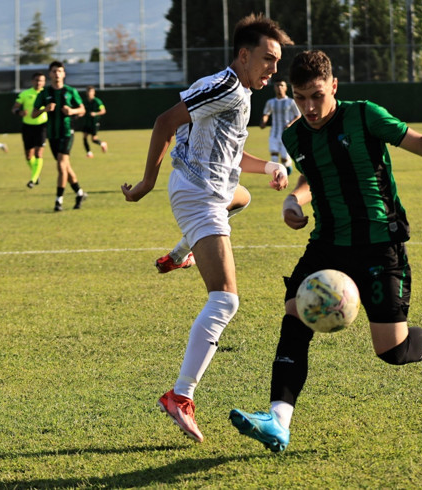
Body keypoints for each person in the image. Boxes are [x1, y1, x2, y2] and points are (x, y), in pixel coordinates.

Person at [229, 49, 422, 453]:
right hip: (327, 243)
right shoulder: (295, 135)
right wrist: (294, 202)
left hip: (380, 243)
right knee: (294, 314)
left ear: (334, 87)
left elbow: (415, 141)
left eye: (316, 95)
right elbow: (315, 179)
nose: (309, 106)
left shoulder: (364, 115)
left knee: (392, 350)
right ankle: (278, 420)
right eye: (300, 97)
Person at [120, 13, 293, 443]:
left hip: (211, 189)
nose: (273, 69)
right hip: (199, 195)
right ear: (243, 54)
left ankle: (181, 253)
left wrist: (269, 164)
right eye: (268, 59)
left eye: (277, 62)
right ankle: (181, 395)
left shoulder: (233, 89)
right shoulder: (228, 87)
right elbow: (165, 122)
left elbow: (232, 157)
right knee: (225, 302)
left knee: (245, 197)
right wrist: (145, 184)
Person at [32, 61, 88, 212]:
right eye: (54, 71)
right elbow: (33, 113)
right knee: (66, 167)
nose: (57, 74)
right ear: (50, 74)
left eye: (60, 71)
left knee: (61, 166)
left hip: (67, 133)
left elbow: (82, 110)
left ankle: (58, 201)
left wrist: (72, 111)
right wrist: (45, 109)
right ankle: (79, 193)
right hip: (52, 134)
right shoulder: (44, 93)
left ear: (64, 74)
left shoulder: (70, 91)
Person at [12, 72, 48, 188]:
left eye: (41, 80)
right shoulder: (25, 94)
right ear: (32, 81)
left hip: (41, 126)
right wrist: (19, 112)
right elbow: (14, 108)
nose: (39, 83)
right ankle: (36, 173)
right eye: (36, 80)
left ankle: (33, 179)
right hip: (27, 126)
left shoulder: (46, 94)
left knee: (39, 153)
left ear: (44, 82)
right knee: (28, 156)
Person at [260, 79, 300, 174]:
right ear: (274, 87)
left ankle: (287, 167)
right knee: (273, 157)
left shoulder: (291, 102)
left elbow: (298, 115)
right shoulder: (270, 102)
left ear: (286, 88)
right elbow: (266, 114)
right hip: (274, 133)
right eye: (277, 85)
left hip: (286, 135)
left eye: (282, 85)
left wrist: (290, 124)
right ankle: (277, 177)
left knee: (284, 160)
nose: (279, 87)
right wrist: (264, 121)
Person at [81, 86, 108, 158]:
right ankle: (89, 153)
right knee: (84, 137)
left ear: (94, 92)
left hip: (94, 123)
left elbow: (103, 111)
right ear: (86, 92)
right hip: (87, 122)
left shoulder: (97, 101)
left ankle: (102, 143)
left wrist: (95, 113)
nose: (90, 93)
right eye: (88, 91)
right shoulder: (84, 101)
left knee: (93, 139)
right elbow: (82, 110)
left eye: (91, 91)